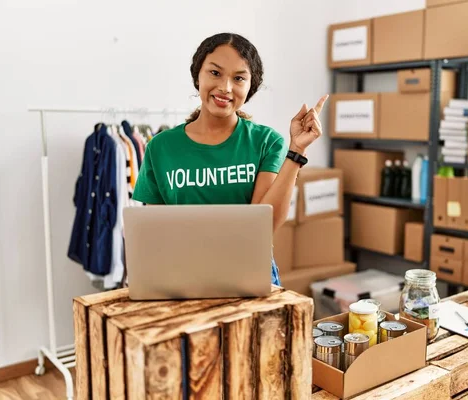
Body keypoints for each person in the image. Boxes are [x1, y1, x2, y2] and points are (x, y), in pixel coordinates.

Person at [131, 32, 328, 286]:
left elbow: (263, 227)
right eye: (215, 73)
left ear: (250, 86)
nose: (225, 87)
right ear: (197, 75)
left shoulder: (266, 142)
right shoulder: (160, 147)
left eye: (238, 78)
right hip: (183, 276)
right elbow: (156, 234)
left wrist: (297, 150)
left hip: (249, 274)